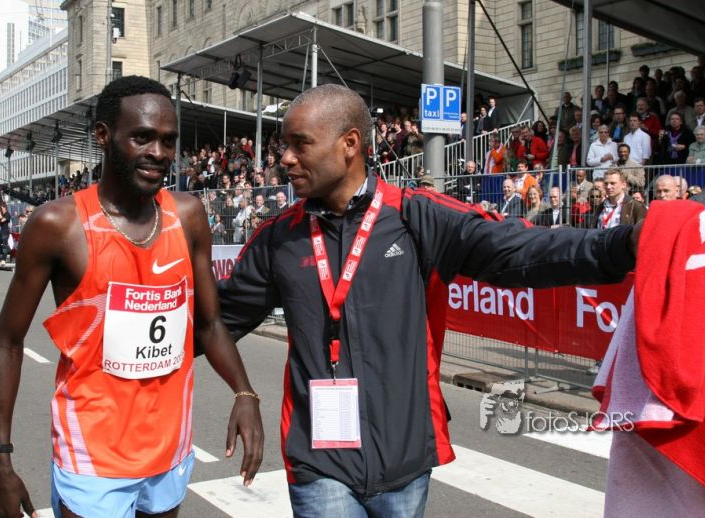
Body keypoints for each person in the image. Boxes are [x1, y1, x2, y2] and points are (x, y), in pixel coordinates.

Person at [217, 85, 640, 517]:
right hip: (319, 465)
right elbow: (214, 323)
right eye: (284, 145)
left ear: (350, 143)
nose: (285, 159)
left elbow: (519, 248)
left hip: (405, 463)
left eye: (300, 144)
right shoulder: (279, 238)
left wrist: (623, 245)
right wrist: (242, 390)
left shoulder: (414, 215)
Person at [0, 76, 263, 518]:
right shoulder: (59, 226)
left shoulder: (188, 217)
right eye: (142, 137)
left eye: (168, 140)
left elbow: (210, 324)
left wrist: (244, 392)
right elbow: (8, 341)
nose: (159, 152)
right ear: (103, 135)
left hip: (169, 447)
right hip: (92, 454)